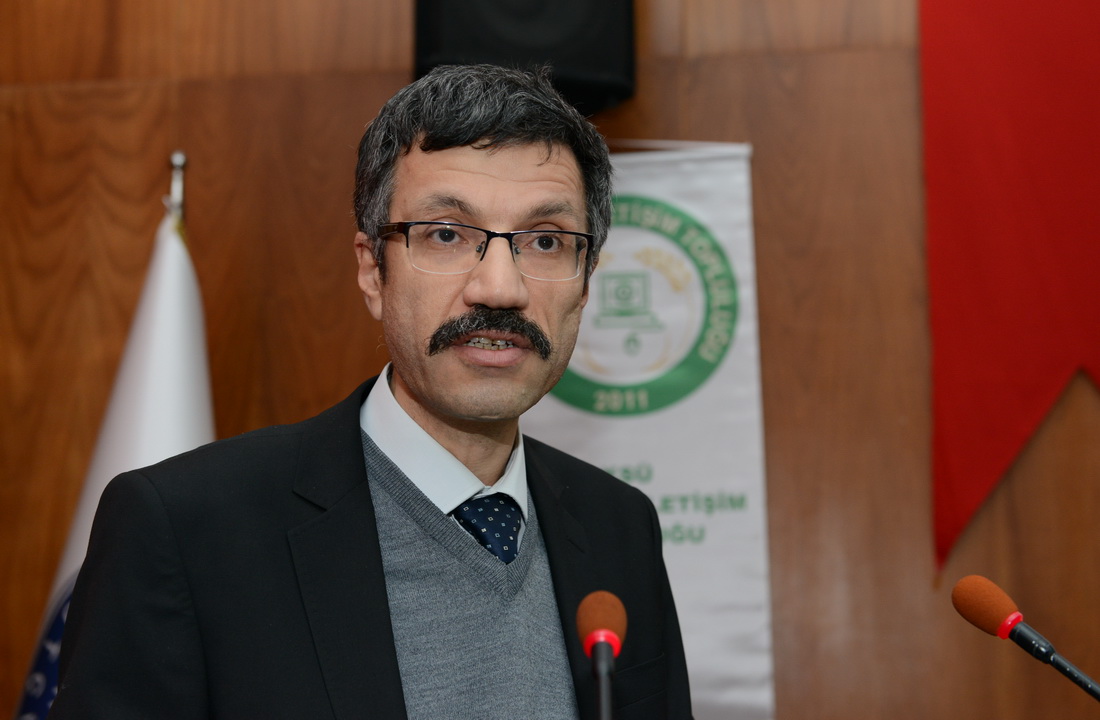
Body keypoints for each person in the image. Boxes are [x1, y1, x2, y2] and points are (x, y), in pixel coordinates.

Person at [51, 64, 692, 720]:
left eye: (546, 241)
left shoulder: (619, 528)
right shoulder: (185, 530)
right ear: (371, 271)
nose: (500, 288)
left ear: (585, 283)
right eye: (446, 234)